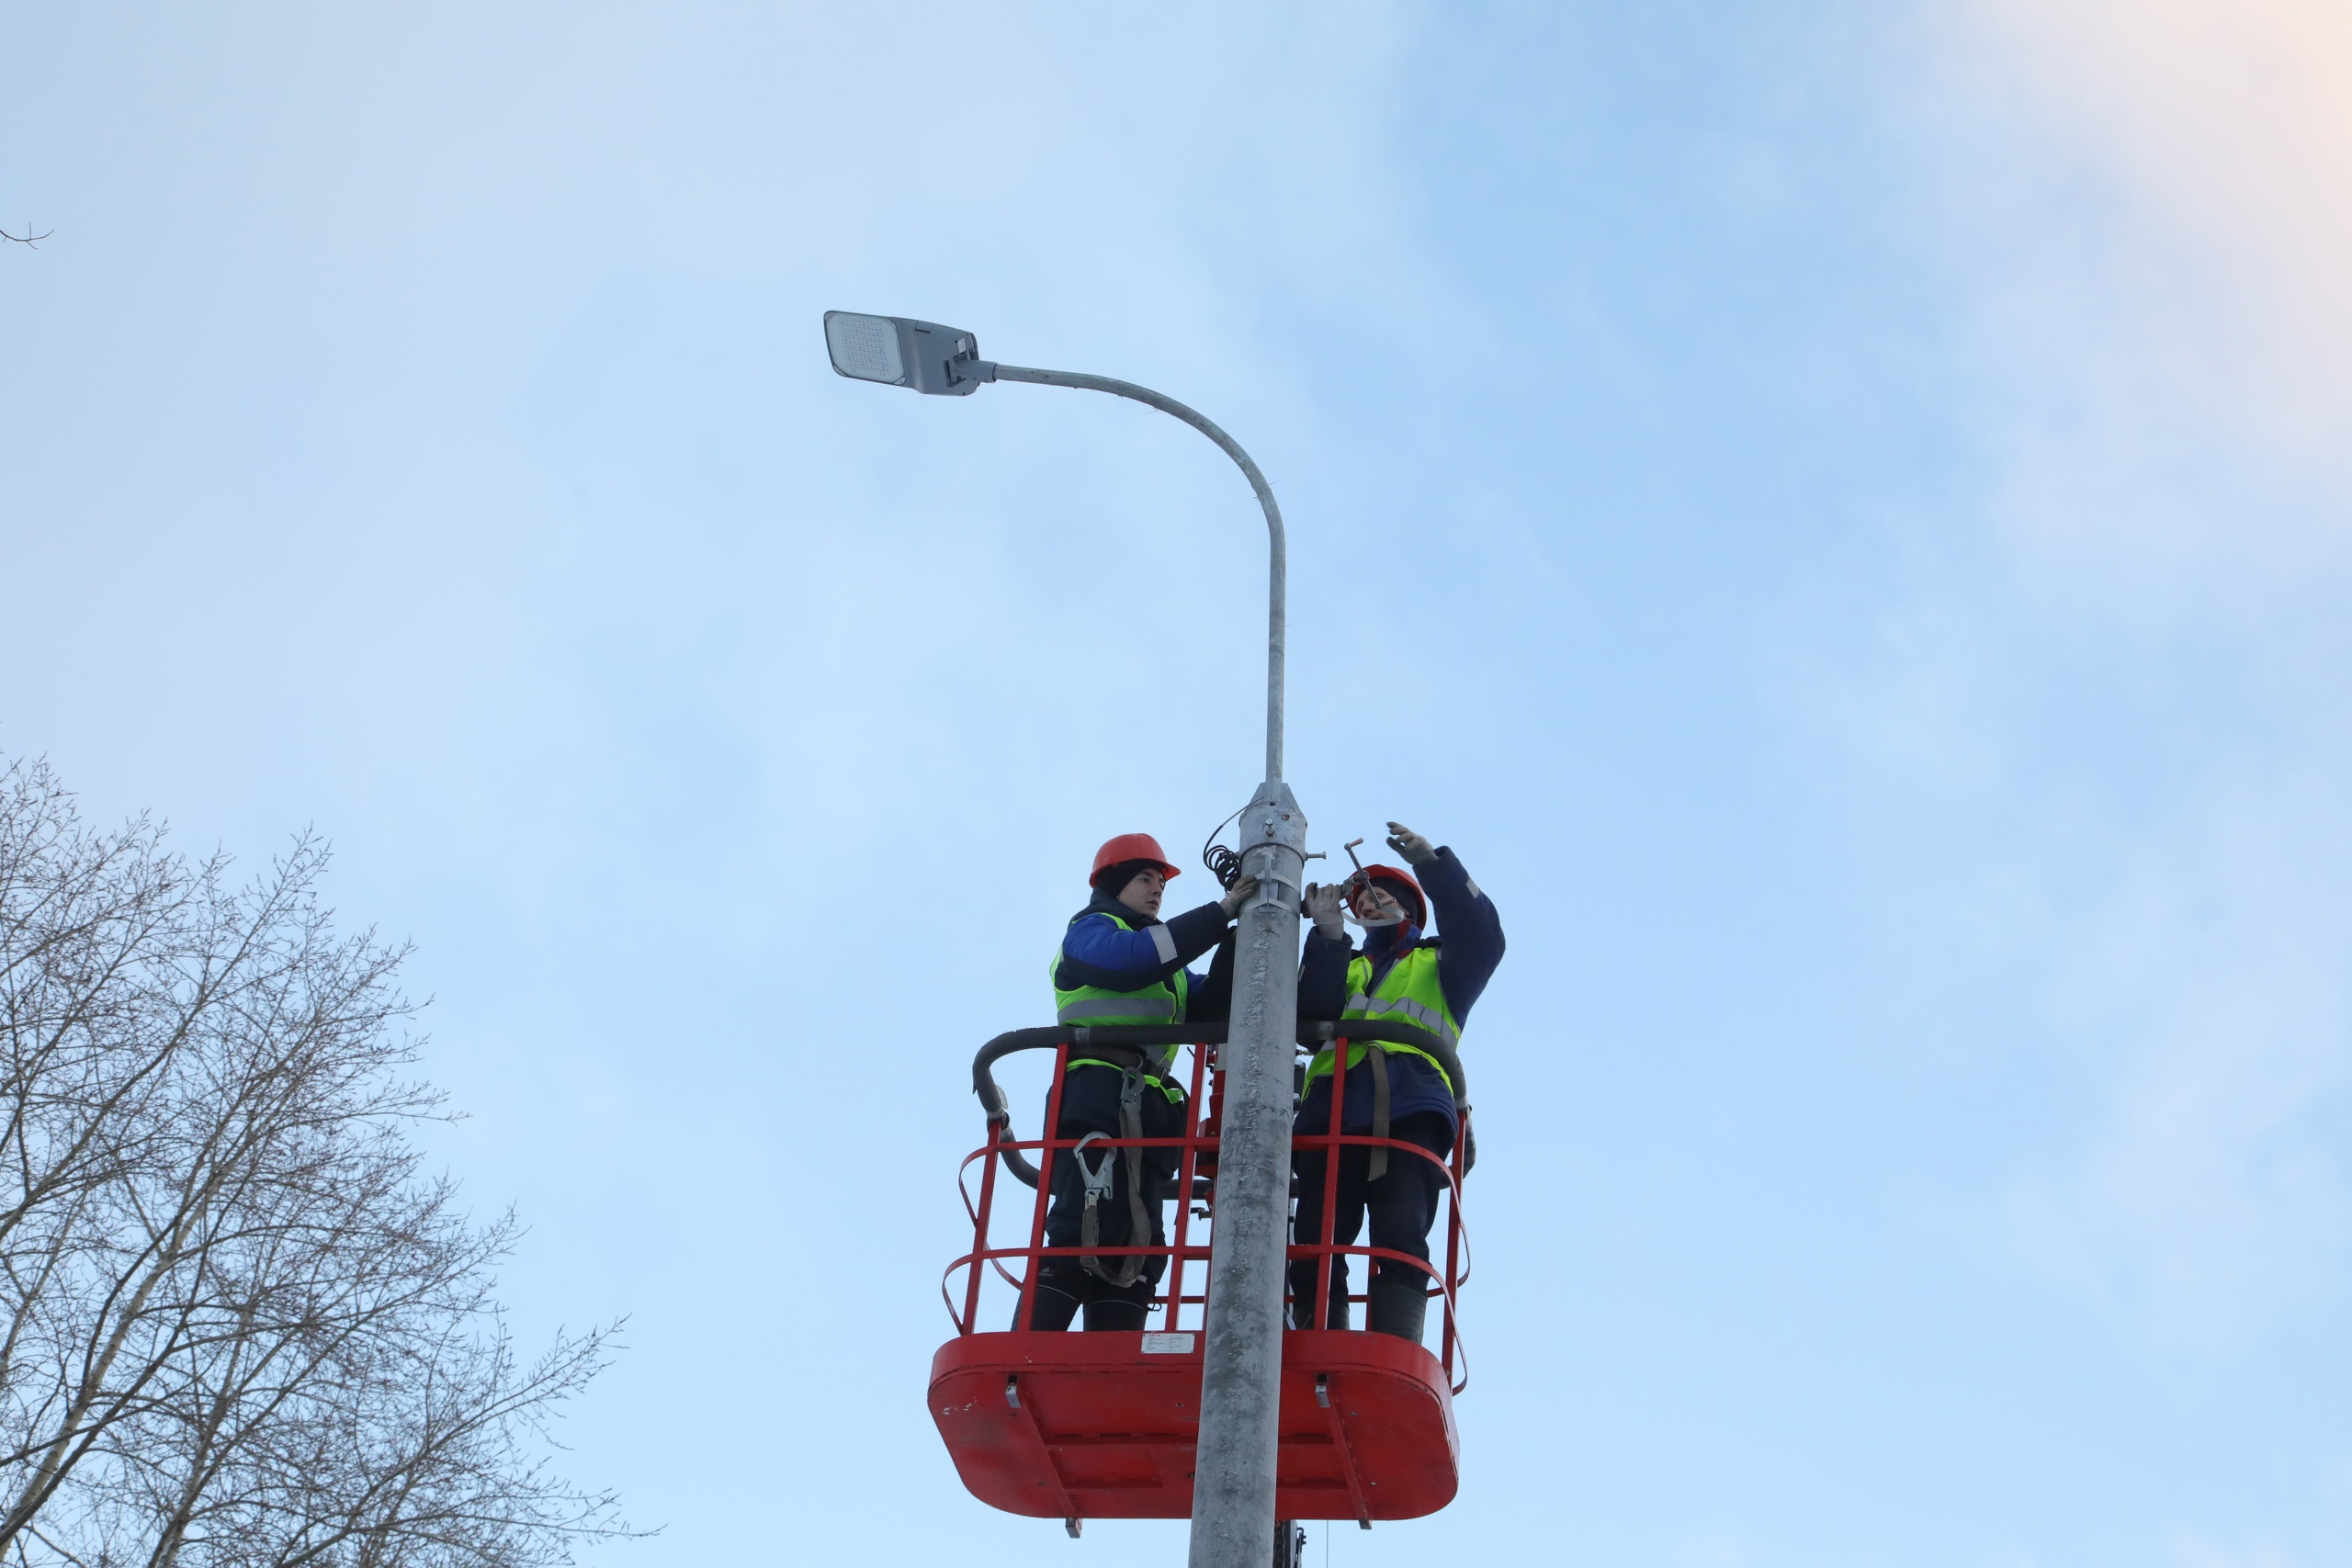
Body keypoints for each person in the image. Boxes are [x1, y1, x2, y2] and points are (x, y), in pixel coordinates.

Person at [1023, 832, 1257, 1332]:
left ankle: (1111, 1355)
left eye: (1161, 882)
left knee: (1139, 1236)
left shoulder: (1168, 969)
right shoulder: (1090, 931)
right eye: (1145, 879)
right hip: (1095, 1092)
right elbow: (1128, 962)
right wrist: (1220, 913)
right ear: (1114, 885)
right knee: (1083, 1221)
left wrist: (1241, 934)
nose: (1156, 890)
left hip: (1147, 1106)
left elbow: (1211, 1005)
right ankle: (1031, 1346)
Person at [1290, 821, 1504, 1344]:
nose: (1366, 904)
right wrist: (1327, 935)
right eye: (1359, 900)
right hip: (1332, 1112)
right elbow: (1308, 1012)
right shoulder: (1346, 961)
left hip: (1409, 1111)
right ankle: (1321, 1335)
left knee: (1402, 1231)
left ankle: (1394, 1342)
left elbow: (1484, 935)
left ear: (1411, 907)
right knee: (1317, 1235)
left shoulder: (1443, 964)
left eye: (1379, 895)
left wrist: (1432, 864)